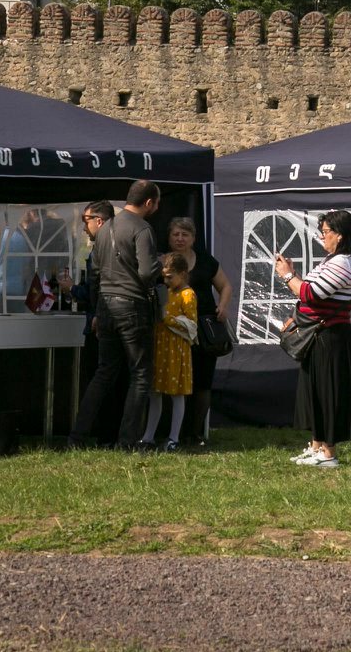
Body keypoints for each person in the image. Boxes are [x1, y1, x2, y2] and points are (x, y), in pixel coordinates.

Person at [70, 180, 162, 450]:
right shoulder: (142, 228)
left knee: (104, 373)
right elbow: (147, 272)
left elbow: (95, 276)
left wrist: (98, 311)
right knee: (141, 375)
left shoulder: (105, 228)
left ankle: (77, 436)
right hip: (133, 306)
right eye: (156, 203)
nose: (157, 208)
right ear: (148, 202)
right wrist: (162, 265)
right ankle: (127, 442)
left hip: (106, 307)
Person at [275, 209, 351, 468]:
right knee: (314, 391)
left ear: (340, 235)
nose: (322, 237)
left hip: (330, 337)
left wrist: (287, 274)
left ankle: (328, 454)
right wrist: (294, 283)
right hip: (318, 334)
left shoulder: (344, 262)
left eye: (326, 232)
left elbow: (311, 294)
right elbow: (309, 295)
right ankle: (317, 446)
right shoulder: (333, 260)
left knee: (327, 393)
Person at [166, 216, 232, 449]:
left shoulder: (205, 261)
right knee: (175, 382)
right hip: (173, 330)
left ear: (193, 238)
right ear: (169, 237)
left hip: (203, 331)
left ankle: (194, 434)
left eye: (185, 234)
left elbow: (225, 286)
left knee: (202, 382)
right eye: (176, 234)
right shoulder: (163, 262)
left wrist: (222, 306)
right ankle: (173, 433)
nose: (180, 239)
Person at [69, 202, 115, 446]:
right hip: (110, 322)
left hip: (100, 325)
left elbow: (94, 291)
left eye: (85, 220)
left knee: (99, 381)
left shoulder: (101, 251)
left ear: (99, 220)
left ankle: (90, 435)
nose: (84, 227)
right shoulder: (111, 246)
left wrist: (72, 289)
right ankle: (108, 435)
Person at [143, 254, 197, 450]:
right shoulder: (165, 293)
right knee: (155, 392)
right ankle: (148, 437)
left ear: (182, 274)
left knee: (177, 394)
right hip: (160, 347)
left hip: (176, 349)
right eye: (164, 277)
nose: (166, 281)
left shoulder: (188, 294)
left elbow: (191, 325)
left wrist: (167, 318)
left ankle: (174, 438)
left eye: (170, 277)